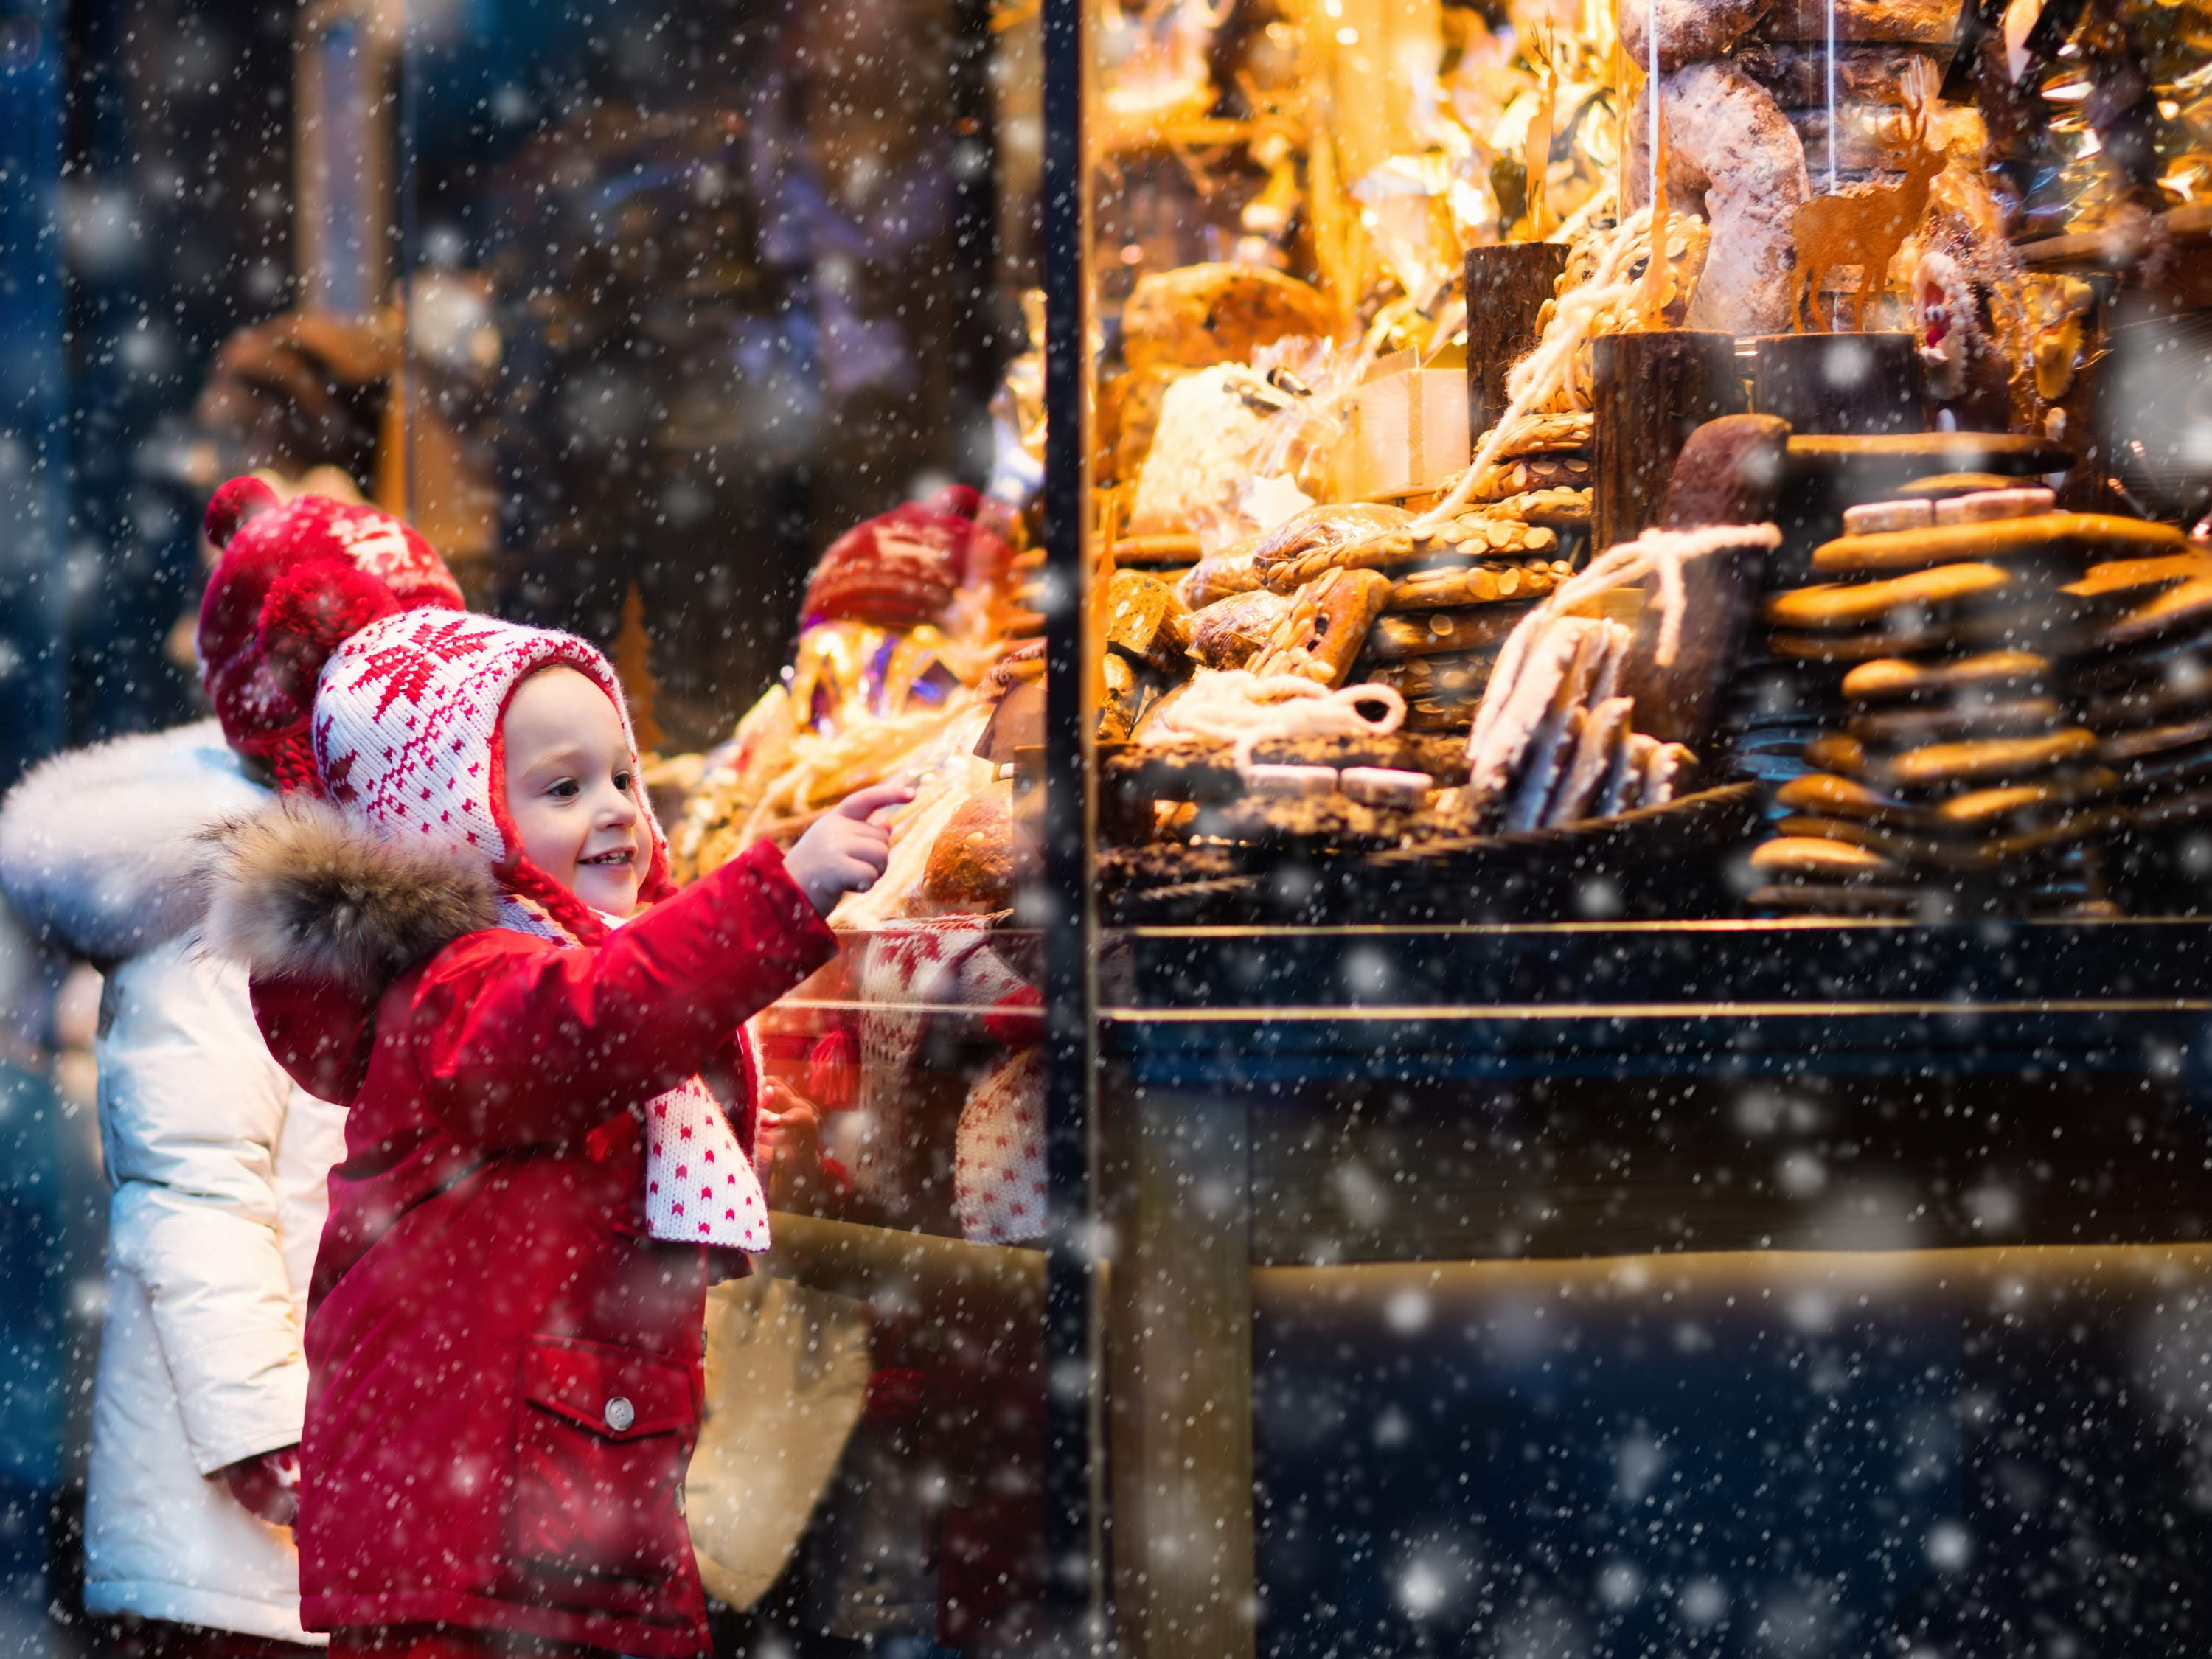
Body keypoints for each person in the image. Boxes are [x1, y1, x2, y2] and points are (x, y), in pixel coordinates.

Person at [192, 474, 903, 1659]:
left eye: (623, 775)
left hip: (554, 1513)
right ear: (456, 821)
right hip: (478, 1545)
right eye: (562, 788)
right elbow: (603, 1020)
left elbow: (636, 1030)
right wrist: (783, 890)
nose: (620, 809)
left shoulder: (551, 970)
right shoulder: (466, 991)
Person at [0, 481, 470, 1659]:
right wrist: (265, 1429)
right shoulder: (230, 914)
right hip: (253, 1507)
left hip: (356, 1460)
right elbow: (192, 1192)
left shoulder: (379, 890)